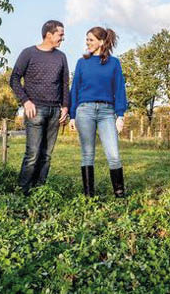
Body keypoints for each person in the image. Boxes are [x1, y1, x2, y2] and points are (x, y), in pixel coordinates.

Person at [10, 20, 69, 196]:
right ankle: (23, 192)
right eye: (60, 34)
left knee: (46, 156)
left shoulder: (61, 56)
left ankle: (39, 192)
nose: (62, 38)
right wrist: (25, 101)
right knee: (33, 154)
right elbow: (14, 79)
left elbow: (65, 83)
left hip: (55, 111)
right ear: (49, 34)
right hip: (35, 110)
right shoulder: (28, 53)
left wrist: (66, 107)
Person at [69, 26, 127, 198]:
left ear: (101, 42)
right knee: (87, 154)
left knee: (114, 155)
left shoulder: (114, 63)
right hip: (84, 111)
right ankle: (89, 197)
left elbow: (119, 90)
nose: (87, 43)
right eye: (86, 39)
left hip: (107, 112)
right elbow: (75, 90)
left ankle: (119, 194)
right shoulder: (81, 62)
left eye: (91, 39)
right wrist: (72, 116)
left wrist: (120, 115)